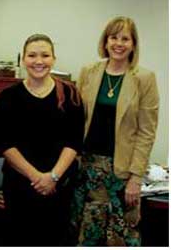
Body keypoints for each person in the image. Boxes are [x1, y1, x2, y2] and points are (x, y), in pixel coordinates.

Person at [70, 16, 159, 246]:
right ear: (105, 41)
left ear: (133, 44)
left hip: (121, 172)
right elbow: (76, 118)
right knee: (87, 234)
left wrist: (136, 178)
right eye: (113, 37)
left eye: (125, 39)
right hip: (87, 169)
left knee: (120, 237)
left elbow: (146, 132)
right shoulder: (89, 71)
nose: (118, 44)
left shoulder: (144, 79)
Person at [0, 33, 84, 246]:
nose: (39, 61)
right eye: (32, 55)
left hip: (59, 185)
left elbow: (74, 142)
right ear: (23, 59)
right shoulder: (9, 96)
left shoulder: (71, 95)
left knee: (56, 238)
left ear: (54, 59)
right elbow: (5, 144)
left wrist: (52, 177)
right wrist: (37, 177)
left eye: (45, 55)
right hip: (20, 185)